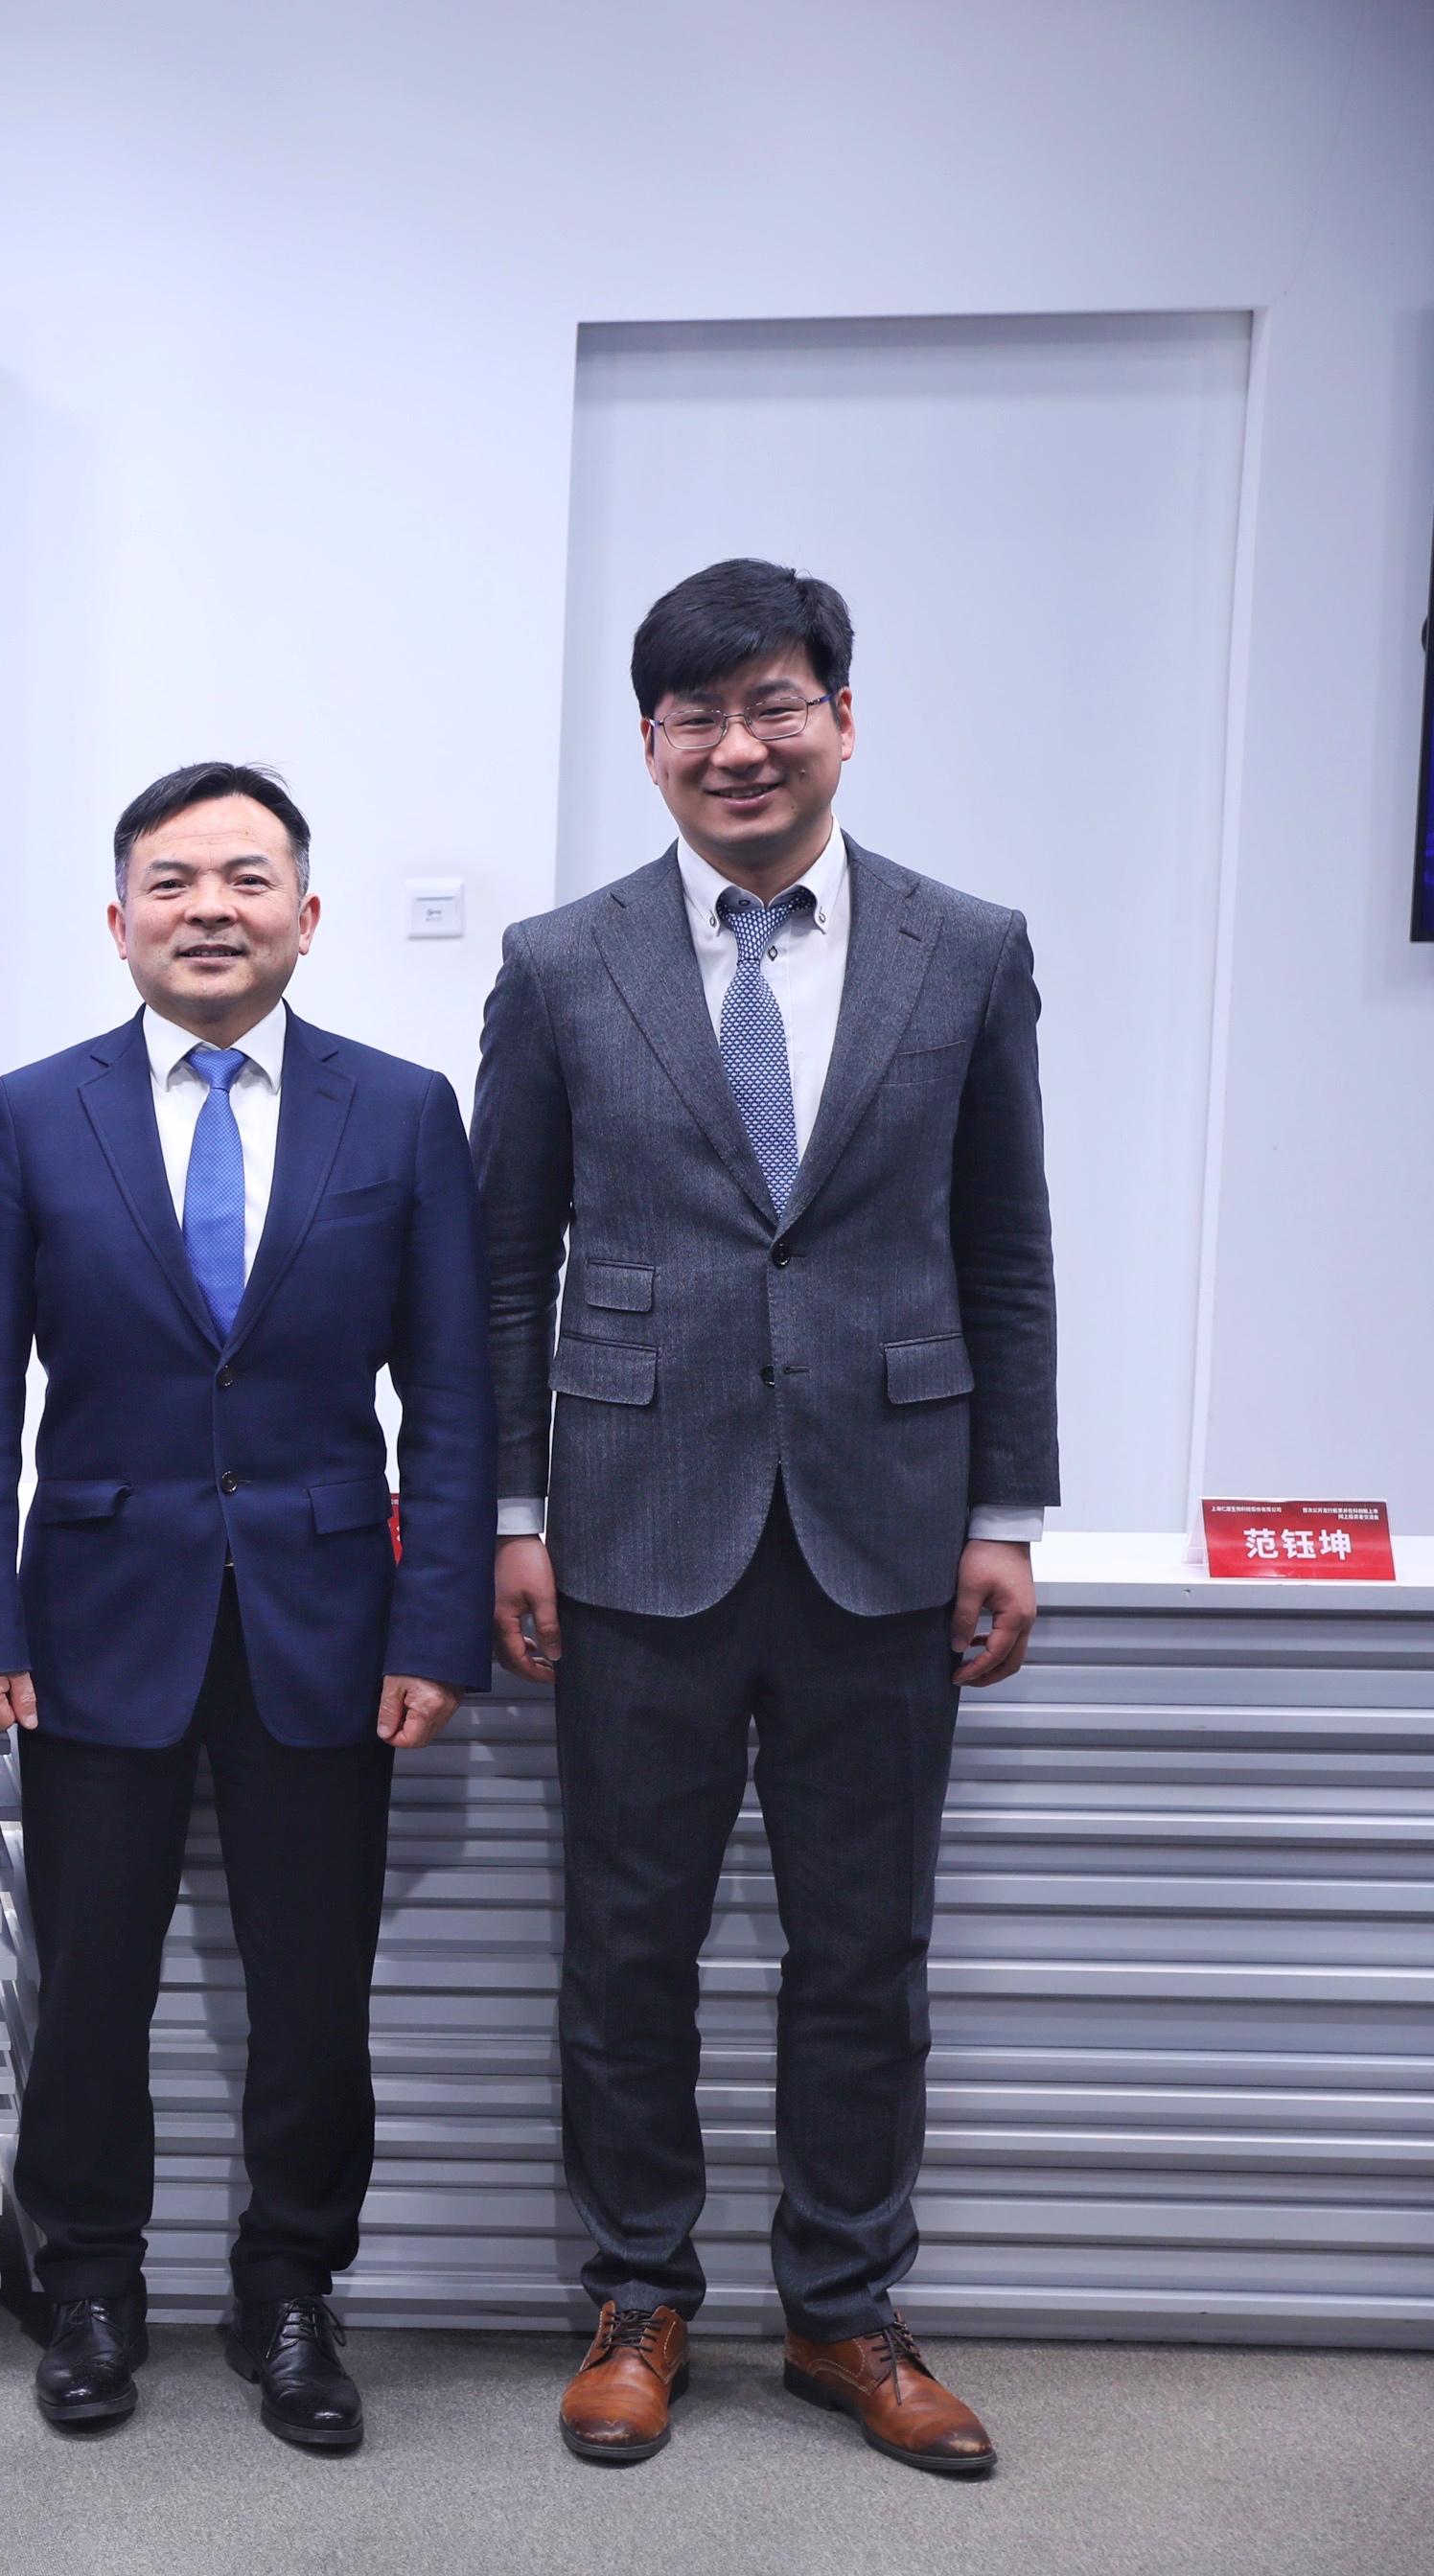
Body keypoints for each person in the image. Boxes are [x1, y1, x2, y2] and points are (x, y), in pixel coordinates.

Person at [478, 560, 1053, 2477]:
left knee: (865, 1951)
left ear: (842, 720)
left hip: (889, 1524)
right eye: (698, 716)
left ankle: (845, 2312)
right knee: (627, 1947)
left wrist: (1006, 1508)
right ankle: (637, 2295)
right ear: (651, 743)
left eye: (776, 705)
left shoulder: (967, 950)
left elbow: (1007, 1248)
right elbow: (504, 1267)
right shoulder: (562, 964)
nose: (740, 746)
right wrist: (512, 1509)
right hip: (635, 1524)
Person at [0, 763, 490, 2450]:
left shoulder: (402, 1112)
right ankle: (92, 2285)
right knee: (91, 1985)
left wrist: (437, 1625)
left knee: (314, 1997)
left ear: (306, 918)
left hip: (329, 1622)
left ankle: (291, 2289)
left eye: (246, 880)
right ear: (117, 922)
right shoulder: (34, 1114)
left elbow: (453, 1397)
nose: (209, 911)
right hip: (95, 1615)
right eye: (171, 883)